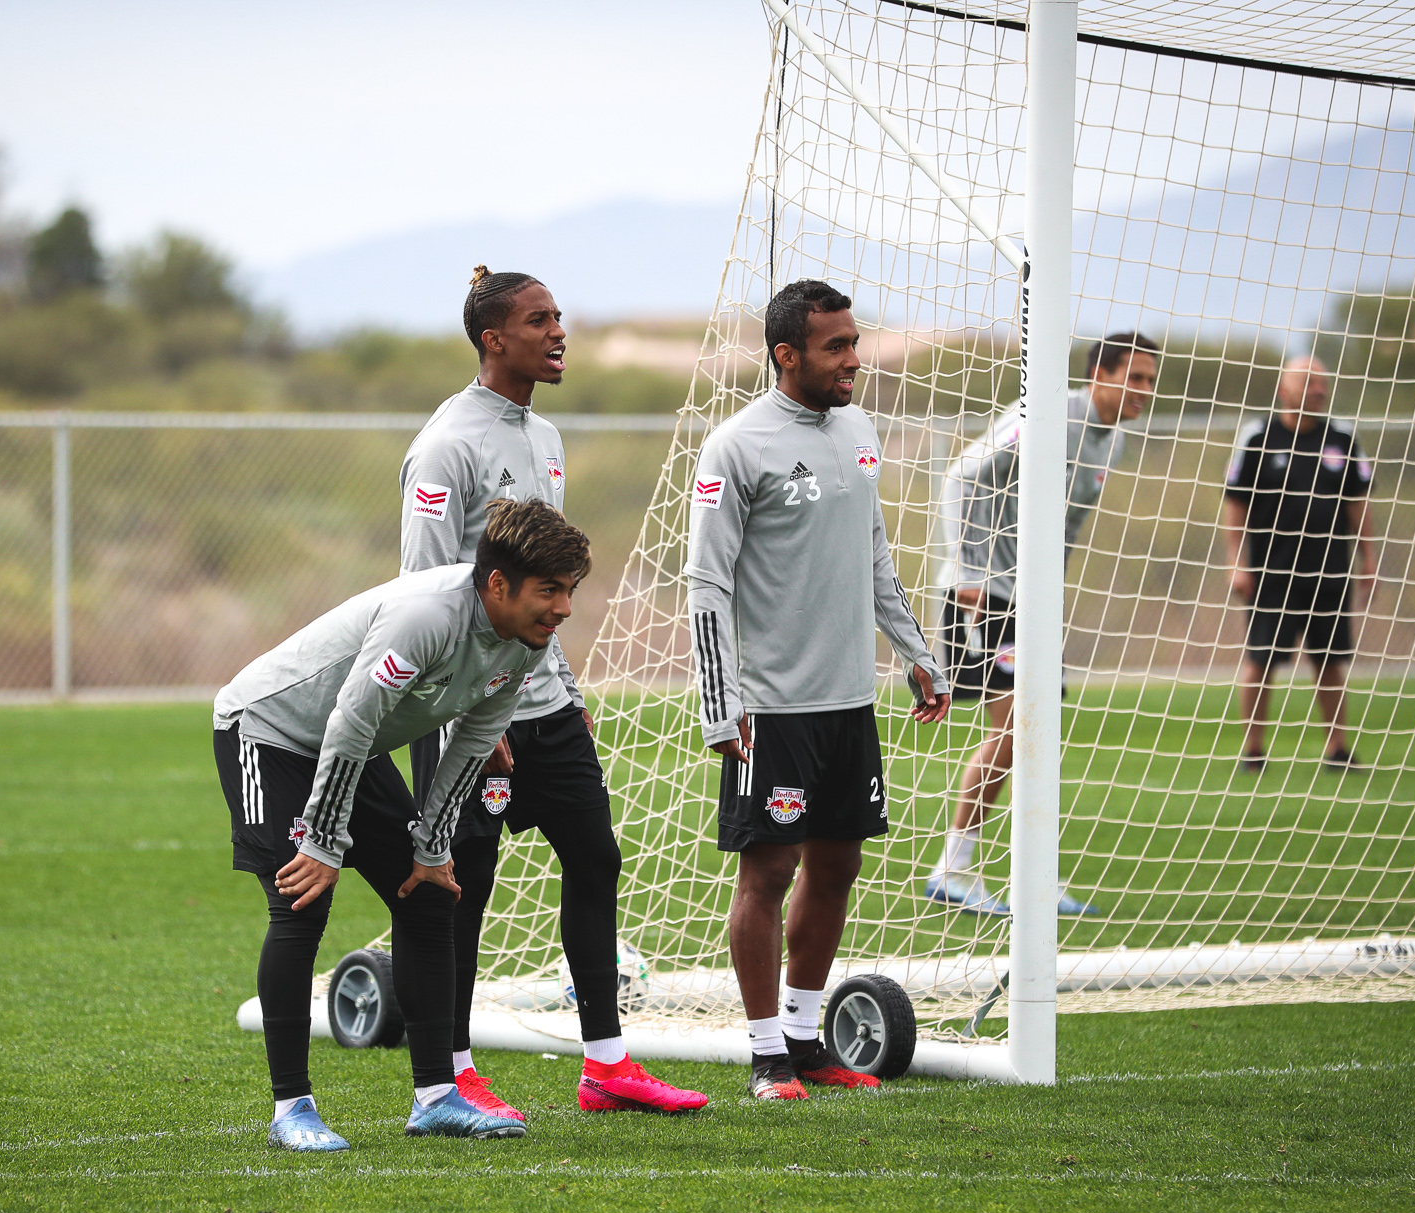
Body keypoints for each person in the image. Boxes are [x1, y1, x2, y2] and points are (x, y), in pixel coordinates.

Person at [399, 266, 707, 1118]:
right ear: (494, 339)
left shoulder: (546, 437)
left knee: (595, 856)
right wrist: (467, 713)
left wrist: (561, 684)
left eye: (560, 316)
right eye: (540, 320)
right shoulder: (445, 446)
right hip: (468, 711)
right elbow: (426, 591)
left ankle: (606, 1065)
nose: (559, 331)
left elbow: (539, 588)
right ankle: (453, 1069)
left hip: (545, 701)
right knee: (465, 885)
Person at [213, 499, 590, 1151]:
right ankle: (291, 1110)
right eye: (549, 590)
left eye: (569, 591)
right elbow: (350, 721)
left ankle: (436, 1096)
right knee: (302, 897)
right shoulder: (427, 616)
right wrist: (325, 842)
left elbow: (473, 741)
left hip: (350, 745)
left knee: (429, 895)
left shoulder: (527, 641)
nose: (562, 608)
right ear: (498, 584)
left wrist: (431, 846)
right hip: (270, 732)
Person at [686, 278, 952, 1102]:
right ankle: (766, 1055)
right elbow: (705, 583)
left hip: (847, 703)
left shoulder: (860, 429)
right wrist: (718, 705)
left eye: (854, 343)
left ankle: (806, 1043)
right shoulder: (737, 446)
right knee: (765, 874)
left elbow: (874, 554)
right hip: (771, 710)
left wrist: (917, 652)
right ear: (786, 354)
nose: (853, 360)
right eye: (835, 347)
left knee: (837, 865)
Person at [922, 331, 1160, 918]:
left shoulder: (1115, 443)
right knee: (1013, 730)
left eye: (1151, 382)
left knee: (1037, 734)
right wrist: (971, 567)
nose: (1144, 392)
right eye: (1135, 377)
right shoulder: (1046, 413)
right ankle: (951, 868)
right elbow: (961, 475)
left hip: (1031, 601)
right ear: (1100, 373)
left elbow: (1066, 525)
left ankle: (1032, 878)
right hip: (982, 595)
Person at [1221, 354, 1379, 772]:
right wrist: (1236, 563)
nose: (1319, 390)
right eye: (1308, 382)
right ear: (1284, 389)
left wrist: (1369, 558)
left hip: (1329, 571)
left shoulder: (1343, 439)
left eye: (1323, 383)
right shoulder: (1257, 437)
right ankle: (1252, 749)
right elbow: (1235, 505)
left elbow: (1358, 503)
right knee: (1260, 660)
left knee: (1328, 661)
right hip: (1270, 574)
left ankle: (1337, 750)